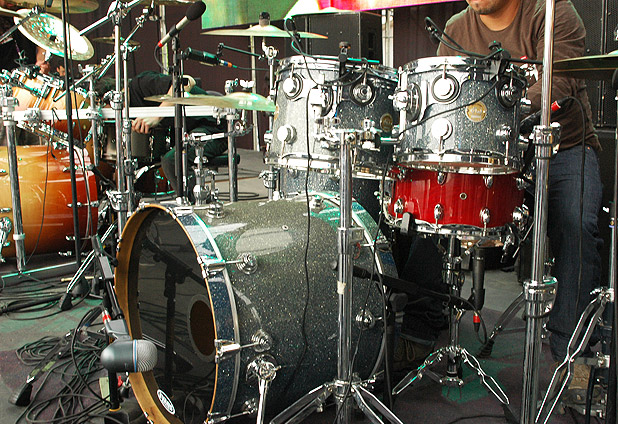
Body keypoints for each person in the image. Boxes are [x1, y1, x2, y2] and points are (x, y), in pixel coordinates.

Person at [434, 0, 602, 403]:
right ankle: (422, 327)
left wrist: (488, 112)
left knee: (575, 222)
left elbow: (556, 86)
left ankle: (572, 352)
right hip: (490, 155)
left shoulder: (552, 12)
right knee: (424, 208)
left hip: (563, 147)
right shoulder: (456, 28)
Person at [95, 71, 226, 198]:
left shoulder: (141, 83)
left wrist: (156, 115)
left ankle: (197, 205)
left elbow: (185, 82)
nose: (109, 118)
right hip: (187, 134)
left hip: (214, 128)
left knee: (172, 160)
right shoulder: (129, 111)